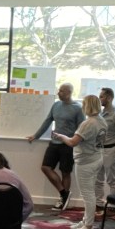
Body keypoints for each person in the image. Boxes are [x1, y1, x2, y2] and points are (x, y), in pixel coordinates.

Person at [51, 94, 107, 229]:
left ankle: (88, 227)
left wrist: (61, 136)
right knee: (90, 193)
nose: (82, 107)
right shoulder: (102, 121)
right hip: (96, 158)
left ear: (88, 106)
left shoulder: (88, 123)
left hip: (86, 162)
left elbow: (72, 142)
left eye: (84, 104)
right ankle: (85, 221)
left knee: (88, 195)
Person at [26, 83, 84, 211]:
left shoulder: (78, 108)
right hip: (54, 143)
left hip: (68, 145)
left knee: (65, 172)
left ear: (69, 93)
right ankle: (64, 194)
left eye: (62, 91)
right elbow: (47, 121)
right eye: (59, 90)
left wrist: (78, 142)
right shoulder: (56, 105)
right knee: (45, 167)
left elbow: (82, 128)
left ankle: (63, 200)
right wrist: (36, 136)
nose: (59, 93)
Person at [94, 87, 115, 208]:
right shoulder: (99, 114)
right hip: (99, 150)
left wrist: (111, 142)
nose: (99, 99)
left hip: (111, 150)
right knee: (97, 179)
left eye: (101, 96)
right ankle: (99, 204)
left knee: (112, 180)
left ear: (109, 98)